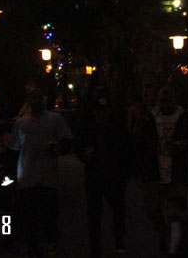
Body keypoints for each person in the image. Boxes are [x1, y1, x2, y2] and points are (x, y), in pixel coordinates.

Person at [5, 88, 73, 258]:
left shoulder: (52, 120)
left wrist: (59, 148)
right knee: (33, 218)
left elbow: (66, 143)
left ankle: (47, 242)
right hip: (31, 177)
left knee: (44, 216)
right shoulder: (23, 123)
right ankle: (37, 246)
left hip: (40, 176)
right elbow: (13, 149)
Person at [139, 86, 188, 253]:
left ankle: (174, 245)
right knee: (153, 210)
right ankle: (169, 237)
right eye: (162, 101)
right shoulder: (150, 119)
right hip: (155, 173)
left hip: (177, 173)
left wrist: (186, 145)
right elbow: (140, 145)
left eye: (168, 100)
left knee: (175, 212)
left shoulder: (185, 119)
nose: (165, 104)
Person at [76, 92, 132, 257]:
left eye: (104, 110)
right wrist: (83, 154)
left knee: (117, 210)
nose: (101, 113)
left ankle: (118, 239)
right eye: (99, 110)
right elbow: (79, 145)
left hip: (113, 175)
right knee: (95, 213)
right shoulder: (90, 128)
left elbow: (127, 150)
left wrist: (125, 173)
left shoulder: (116, 128)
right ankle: (96, 245)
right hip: (95, 174)